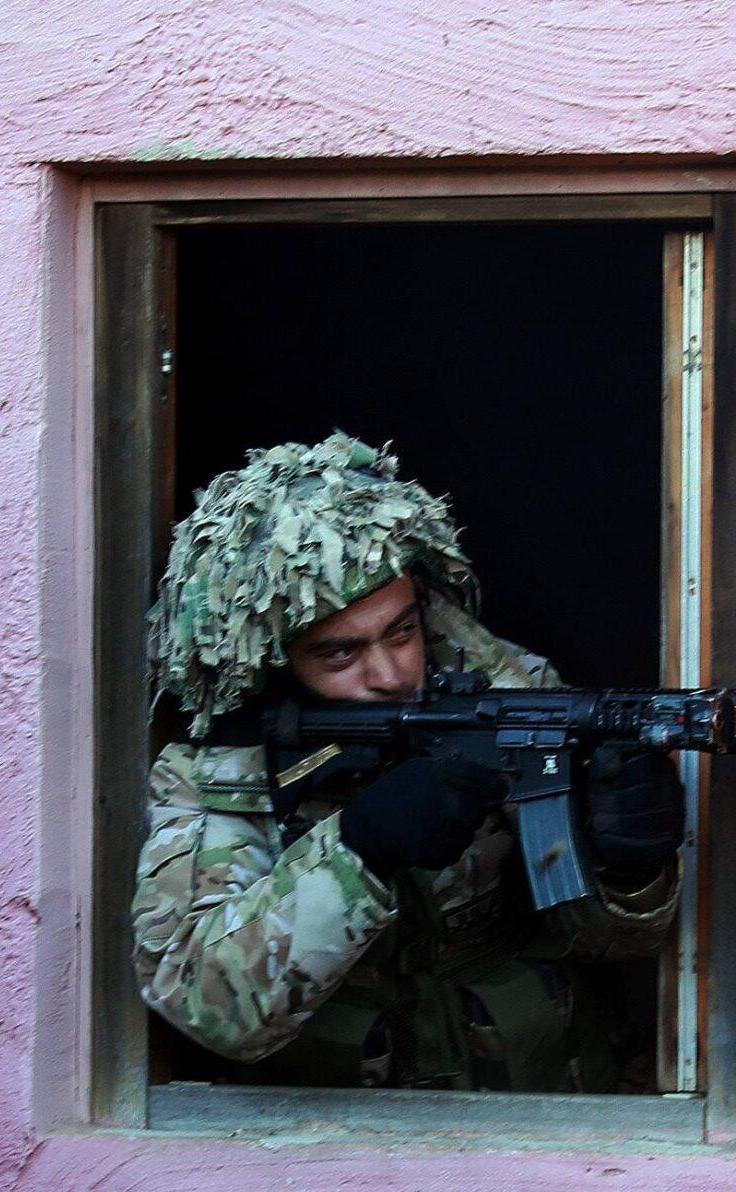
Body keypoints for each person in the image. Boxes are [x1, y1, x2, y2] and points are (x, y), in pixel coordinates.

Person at [131, 432, 683, 1091]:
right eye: (341, 653)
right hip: (325, 1126)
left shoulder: (514, 695)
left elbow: (609, 944)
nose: (390, 675)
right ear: (272, 662)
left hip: (530, 1097)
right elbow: (205, 1006)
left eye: (402, 631)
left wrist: (631, 873)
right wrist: (357, 852)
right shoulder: (221, 764)